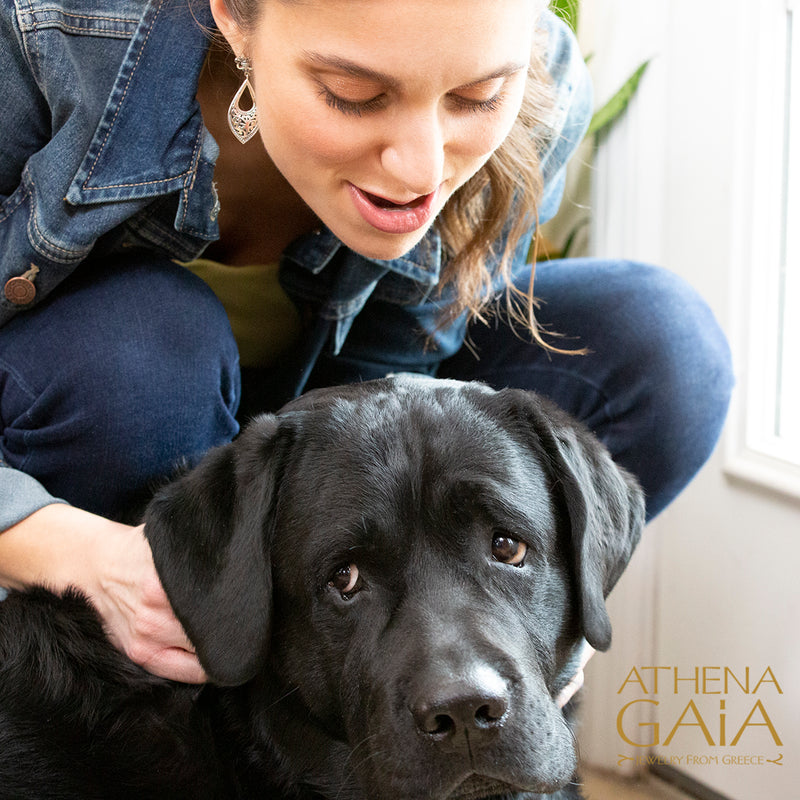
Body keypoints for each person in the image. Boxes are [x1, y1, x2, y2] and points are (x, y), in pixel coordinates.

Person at [0, 0, 732, 699]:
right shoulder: (41, 39)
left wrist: (523, 614)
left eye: (476, 96)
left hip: (318, 456)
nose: (421, 170)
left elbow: (391, 395)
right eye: (353, 94)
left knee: (659, 344)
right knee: (143, 354)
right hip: (93, 423)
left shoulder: (542, 82)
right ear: (234, 15)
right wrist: (62, 547)